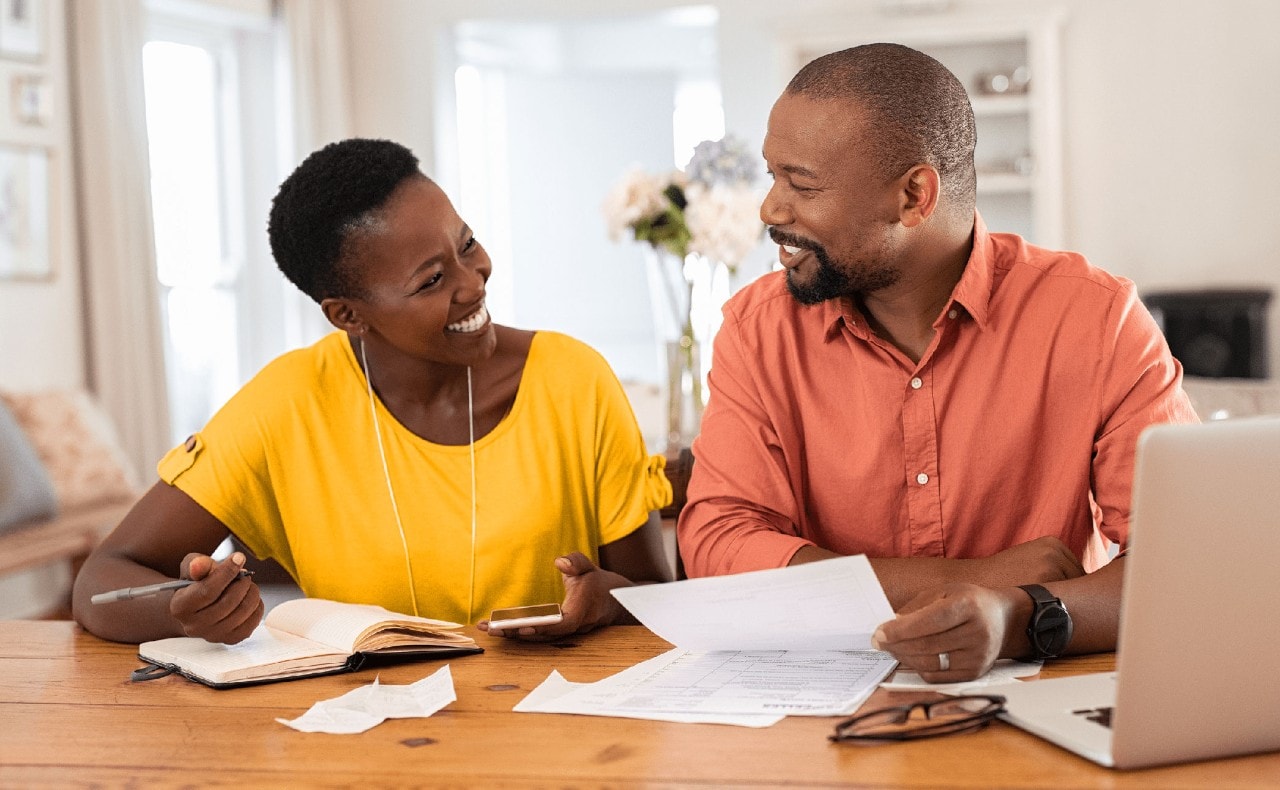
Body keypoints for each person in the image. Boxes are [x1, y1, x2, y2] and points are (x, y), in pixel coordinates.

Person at [678, 43, 1198, 681]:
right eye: (773, 176)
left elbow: (1183, 561)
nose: (771, 209)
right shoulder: (758, 331)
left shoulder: (1096, 318)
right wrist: (968, 580)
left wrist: (1015, 616)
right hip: (816, 708)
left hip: (1041, 699)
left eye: (802, 184)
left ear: (915, 196)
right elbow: (718, 543)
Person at [73, 138, 672, 645]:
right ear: (347, 316)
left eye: (466, 244)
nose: (474, 282)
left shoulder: (573, 379)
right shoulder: (287, 404)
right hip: (363, 739)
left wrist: (603, 601)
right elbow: (100, 582)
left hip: (559, 737)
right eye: (432, 280)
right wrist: (187, 614)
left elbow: (654, 597)